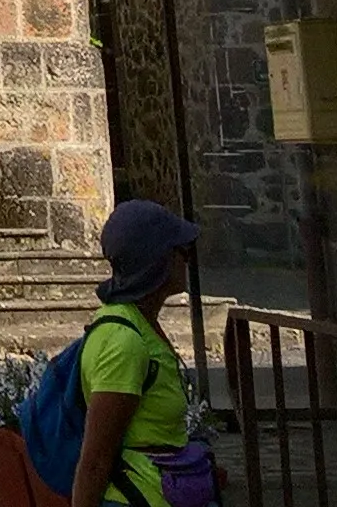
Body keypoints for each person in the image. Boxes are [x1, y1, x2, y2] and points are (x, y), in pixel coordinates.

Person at [71, 199, 200, 507]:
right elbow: (94, 463)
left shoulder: (138, 322)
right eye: (182, 251)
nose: (188, 260)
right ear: (160, 261)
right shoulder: (125, 342)